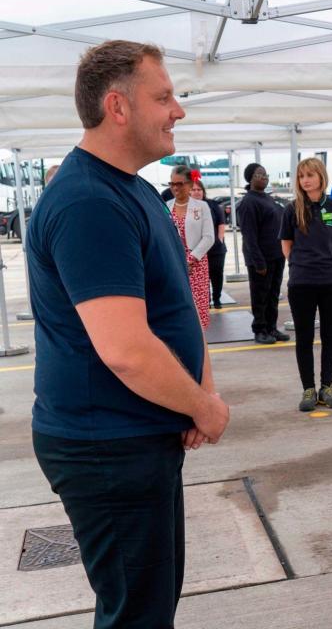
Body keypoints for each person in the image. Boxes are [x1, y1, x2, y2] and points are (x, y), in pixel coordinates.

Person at [26, 40, 229, 628]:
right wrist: (202, 406)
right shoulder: (90, 201)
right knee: (136, 616)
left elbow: (180, 311)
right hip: (107, 445)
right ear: (118, 107)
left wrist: (198, 396)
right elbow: (126, 350)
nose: (178, 111)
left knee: (150, 605)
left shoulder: (135, 189)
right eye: (163, 97)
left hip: (139, 435)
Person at [280, 157, 332, 412]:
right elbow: (286, 244)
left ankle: (327, 387)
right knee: (304, 337)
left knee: (330, 335)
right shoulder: (292, 209)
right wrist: (301, 263)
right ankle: (308, 389)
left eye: (309, 175)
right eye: (301, 176)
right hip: (302, 282)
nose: (305, 180)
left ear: (320, 176)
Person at [238, 162, 290, 345]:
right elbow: (249, 235)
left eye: (266, 174)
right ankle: (260, 329)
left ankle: (271, 327)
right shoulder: (248, 202)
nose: (265, 177)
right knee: (260, 296)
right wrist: (258, 262)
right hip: (261, 259)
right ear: (251, 178)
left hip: (276, 255)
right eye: (261, 174)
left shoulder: (267, 198)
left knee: (273, 294)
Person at [166, 165, 214, 329]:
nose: (175, 188)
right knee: (177, 309)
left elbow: (208, 238)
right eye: (172, 183)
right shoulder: (165, 207)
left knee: (197, 311)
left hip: (196, 264)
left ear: (190, 184)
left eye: (180, 184)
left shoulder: (202, 207)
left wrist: (190, 260)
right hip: (173, 263)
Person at [192, 179, 227, 309]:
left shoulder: (212, 205)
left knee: (217, 274)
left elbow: (221, 224)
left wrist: (219, 240)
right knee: (202, 277)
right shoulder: (188, 207)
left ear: (203, 191)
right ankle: (205, 300)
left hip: (215, 248)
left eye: (199, 190)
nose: (196, 192)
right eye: (193, 190)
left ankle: (217, 298)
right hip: (198, 250)